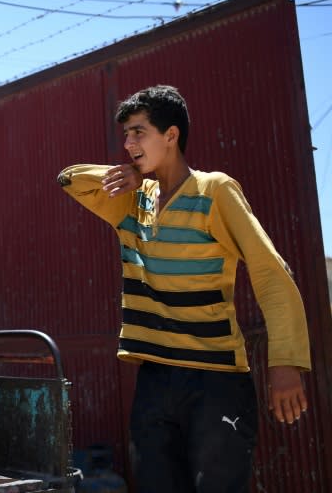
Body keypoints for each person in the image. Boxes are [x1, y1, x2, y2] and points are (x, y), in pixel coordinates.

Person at [57, 85, 311, 493]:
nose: (128, 143)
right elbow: (69, 180)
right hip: (155, 380)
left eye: (138, 132)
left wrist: (286, 361)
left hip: (217, 382)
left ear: (171, 135)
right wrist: (134, 175)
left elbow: (270, 273)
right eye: (125, 134)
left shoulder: (215, 191)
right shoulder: (133, 199)